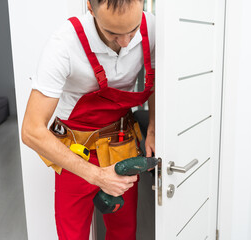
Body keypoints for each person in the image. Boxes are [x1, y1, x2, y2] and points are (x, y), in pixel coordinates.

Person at [21, 0, 155, 239]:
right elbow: (31, 131)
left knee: (124, 232)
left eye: (132, 31)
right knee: (72, 233)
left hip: (121, 144)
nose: (126, 42)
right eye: (113, 33)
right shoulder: (64, 44)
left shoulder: (151, 28)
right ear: (90, 8)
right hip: (75, 151)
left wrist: (153, 128)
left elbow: (160, 82)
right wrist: (97, 176)